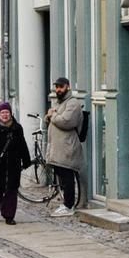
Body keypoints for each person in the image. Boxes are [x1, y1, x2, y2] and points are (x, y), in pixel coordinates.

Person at [44, 76, 85, 215]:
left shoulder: (72, 103)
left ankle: (69, 205)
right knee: (61, 175)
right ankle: (66, 203)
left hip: (67, 146)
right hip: (58, 147)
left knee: (67, 176)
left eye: (61, 87)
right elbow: (51, 117)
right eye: (56, 87)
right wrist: (49, 116)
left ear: (68, 86)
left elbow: (67, 121)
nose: (58, 89)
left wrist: (53, 115)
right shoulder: (59, 102)